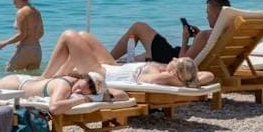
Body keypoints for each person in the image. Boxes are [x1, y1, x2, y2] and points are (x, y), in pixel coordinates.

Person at [42, 30, 203, 87]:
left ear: (174, 72)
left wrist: (177, 78)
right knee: (84, 36)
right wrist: (191, 78)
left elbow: (167, 79)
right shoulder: (168, 71)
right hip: (113, 66)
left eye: (176, 62)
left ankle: (45, 78)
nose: (174, 58)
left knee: (68, 36)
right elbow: (207, 75)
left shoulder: (160, 76)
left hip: (102, 73)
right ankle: (59, 78)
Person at [107, 0, 230, 63]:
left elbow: (181, 64)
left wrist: (185, 40)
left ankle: (107, 60)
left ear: (216, 14)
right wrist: (196, 41)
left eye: (208, 12)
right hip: (169, 55)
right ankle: (112, 61)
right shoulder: (226, 32)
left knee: (138, 27)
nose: (206, 16)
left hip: (170, 59)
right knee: (140, 57)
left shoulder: (204, 35)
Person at [0, 72, 125, 110]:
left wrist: (104, 90)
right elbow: (54, 108)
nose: (77, 90)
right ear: (81, 77)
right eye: (79, 86)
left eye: (82, 92)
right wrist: (84, 99)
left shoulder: (86, 87)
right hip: (17, 84)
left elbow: (123, 95)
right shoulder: (65, 85)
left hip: (27, 82)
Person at [0, 0, 43, 71]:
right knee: (32, 79)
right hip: (37, 51)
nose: (13, 3)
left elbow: (22, 34)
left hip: (25, 50)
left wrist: (4, 43)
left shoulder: (21, 12)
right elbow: (41, 32)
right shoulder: (36, 11)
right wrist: (32, 41)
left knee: (9, 71)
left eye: (13, 0)